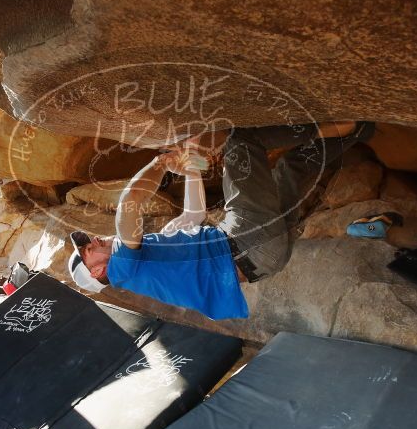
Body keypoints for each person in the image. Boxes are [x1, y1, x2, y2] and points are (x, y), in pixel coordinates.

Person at [68, 121, 374, 320]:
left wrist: (190, 165)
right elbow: (130, 202)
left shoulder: (152, 260)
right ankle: (333, 120)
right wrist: (160, 162)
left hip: (263, 257)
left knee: (291, 169)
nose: (92, 239)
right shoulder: (124, 266)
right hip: (247, 244)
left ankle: (359, 128)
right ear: (97, 271)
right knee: (240, 139)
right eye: (87, 249)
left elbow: (194, 214)